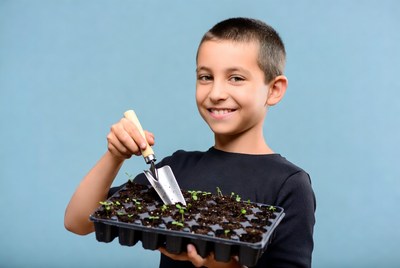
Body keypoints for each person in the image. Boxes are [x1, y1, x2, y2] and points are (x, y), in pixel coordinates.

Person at [64, 17, 316, 268]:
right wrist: (114, 156)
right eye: (205, 77)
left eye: (236, 78)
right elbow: (78, 221)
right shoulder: (176, 169)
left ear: (274, 90)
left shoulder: (289, 184)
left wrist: (224, 265)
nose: (216, 93)